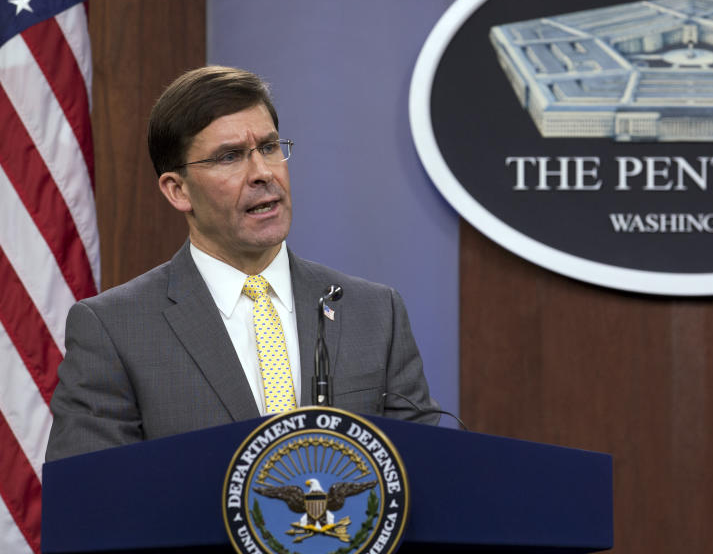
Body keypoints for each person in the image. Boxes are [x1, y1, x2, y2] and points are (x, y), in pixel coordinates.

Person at [46, 66, 437, 461]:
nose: (263, 173)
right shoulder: (115, 330)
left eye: (269, 148)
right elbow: (94, 503)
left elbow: (422, 474)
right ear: (177, 190)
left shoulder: (374, 312)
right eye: (229, 157)